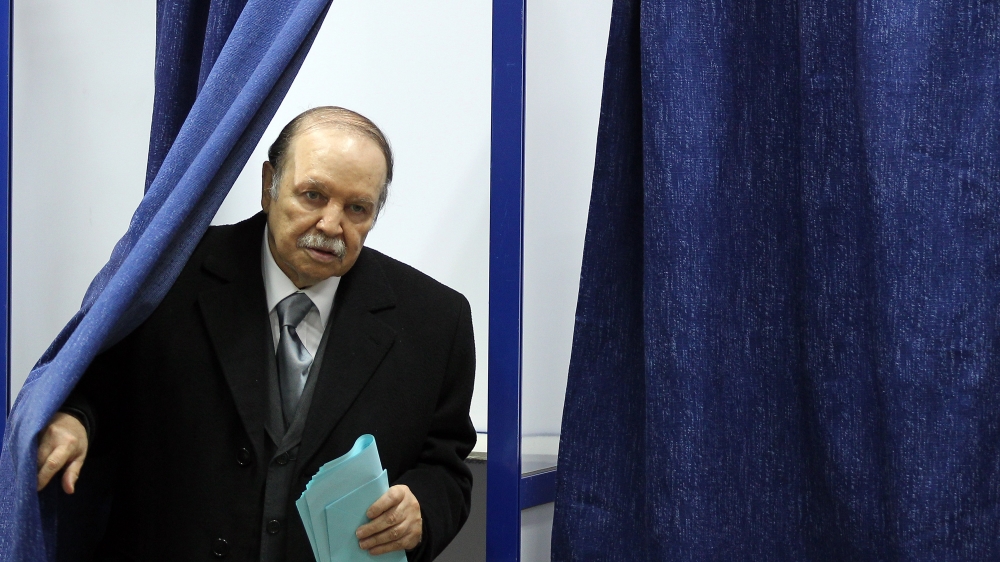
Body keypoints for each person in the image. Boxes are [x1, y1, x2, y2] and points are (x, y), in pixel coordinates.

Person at [34, 106, 477, 561]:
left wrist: (421, 508)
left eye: (357, 208)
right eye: (313, 195)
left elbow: (446, 466)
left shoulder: (435, 321)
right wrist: (75, 420)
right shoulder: (166, 276)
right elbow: (100, 386)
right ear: (269, 186)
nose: (331, 224)